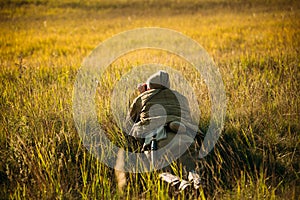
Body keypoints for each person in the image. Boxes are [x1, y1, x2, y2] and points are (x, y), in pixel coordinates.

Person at [125, 70, 202, 190]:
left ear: (148, 86)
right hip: (185, 136)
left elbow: (128, 123)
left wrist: (142, 94)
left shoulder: (142, 97)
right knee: (190, 167)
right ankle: (197, 182)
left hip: (157, 139)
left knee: (159, 171)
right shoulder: (181, 98)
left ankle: (181, 185)